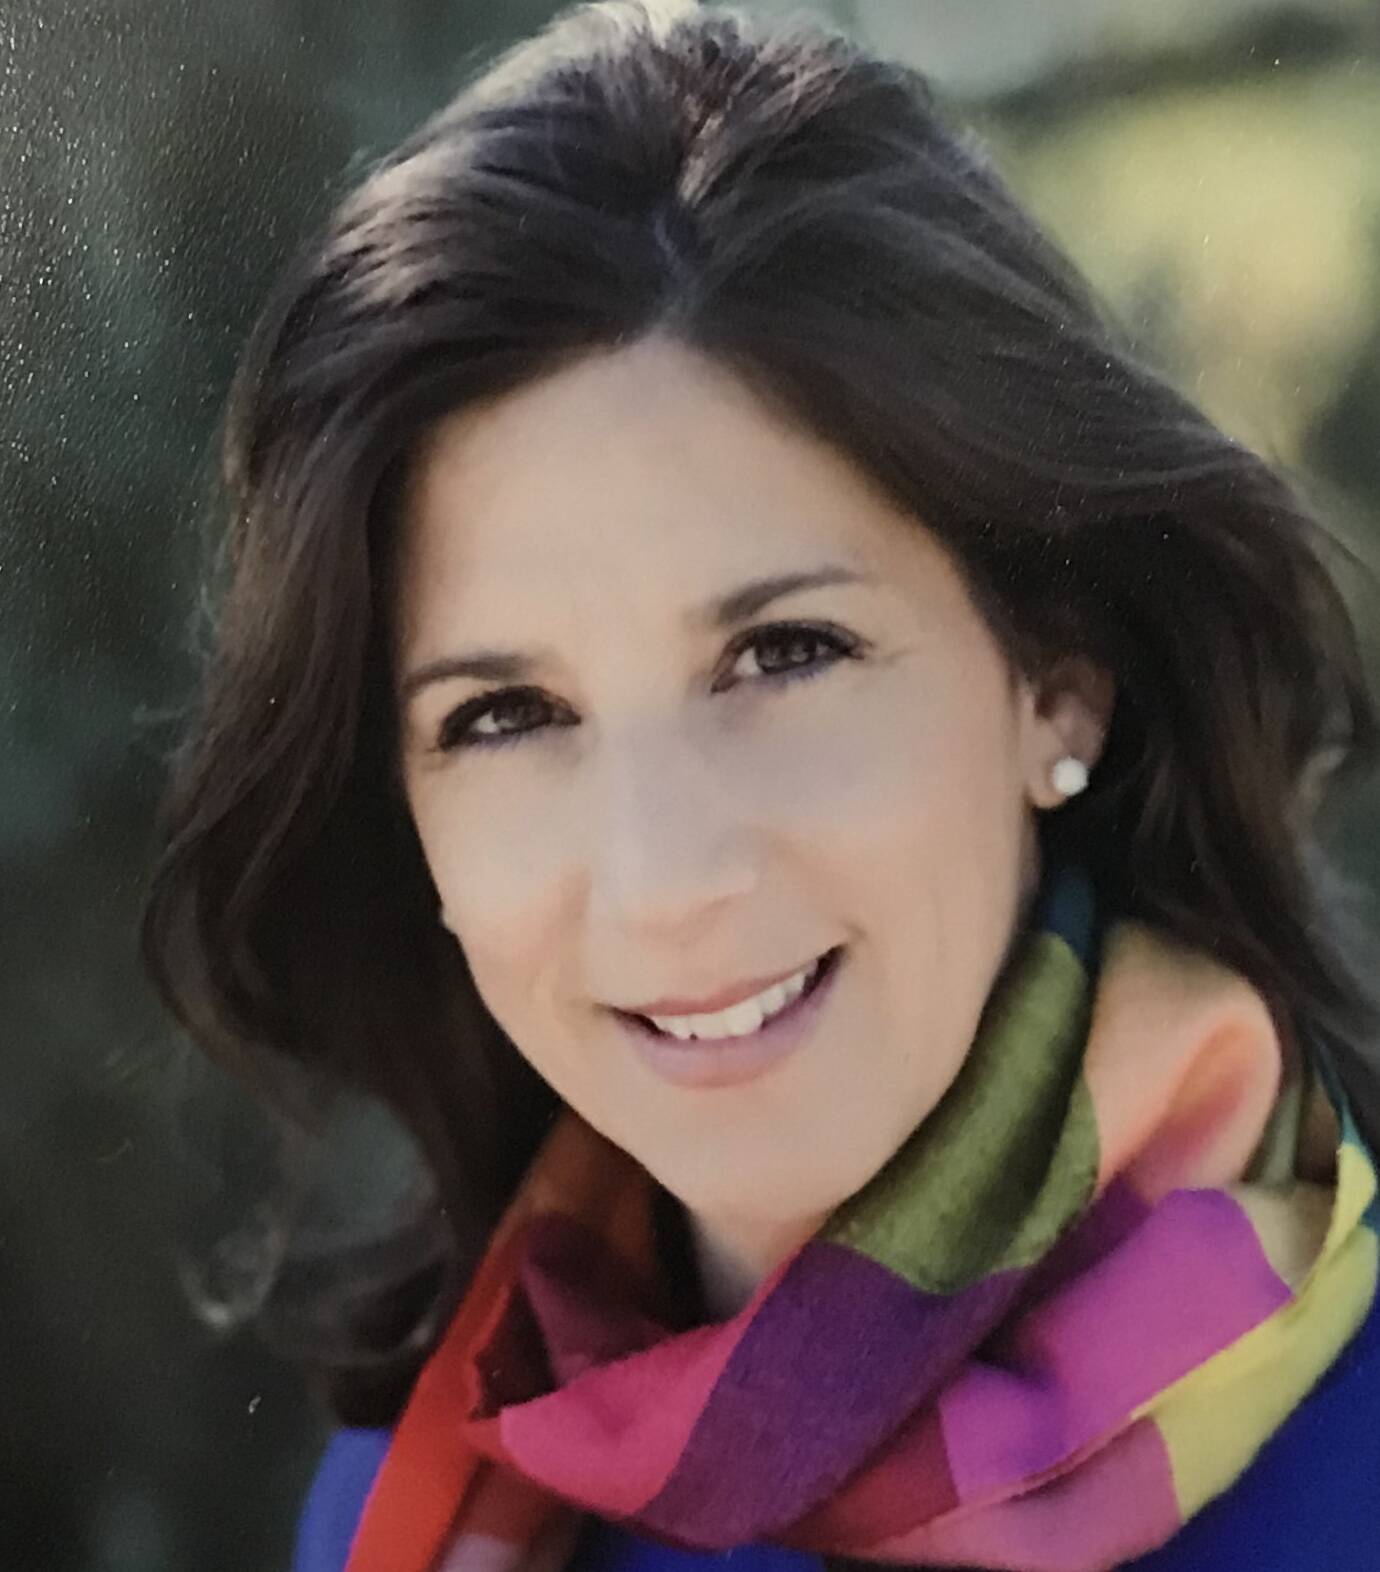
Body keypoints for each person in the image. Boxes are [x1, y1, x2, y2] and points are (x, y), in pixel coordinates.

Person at [140, 3, 1380, 1569]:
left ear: (1057, 675)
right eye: (506, 714)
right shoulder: (412, 1502)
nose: (664, 874)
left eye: (785, 653)